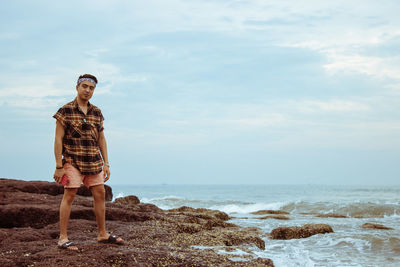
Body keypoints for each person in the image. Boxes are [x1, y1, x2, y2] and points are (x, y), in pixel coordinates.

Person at [53, 74, 123, 250]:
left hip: (93, 161)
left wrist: (107, 163)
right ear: (77, 87)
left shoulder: (96, 112)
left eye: (91, 88)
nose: (87, 90)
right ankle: (63, 238)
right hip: (72, 160)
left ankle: (102, 234)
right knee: (69, 194)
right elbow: (58, 139)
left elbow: (101, 138)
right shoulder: (65, 110)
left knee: (100, 193)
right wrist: (58, 166)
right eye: (84, 86)